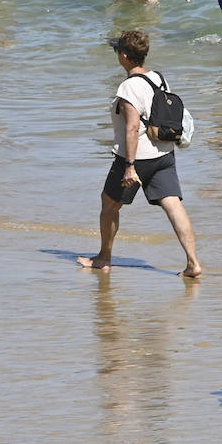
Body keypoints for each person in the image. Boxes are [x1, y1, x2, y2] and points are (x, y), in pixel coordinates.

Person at [77, 30, 201, 277]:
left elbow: (132, 127)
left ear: (124, 56)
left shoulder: (128, 87)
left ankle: (103, 258)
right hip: (164, 154)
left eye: (118, 51)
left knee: (109, 205)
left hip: (137, 157)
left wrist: (130, 166)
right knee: (174, 206)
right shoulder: (158, 78)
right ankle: (193, 263)